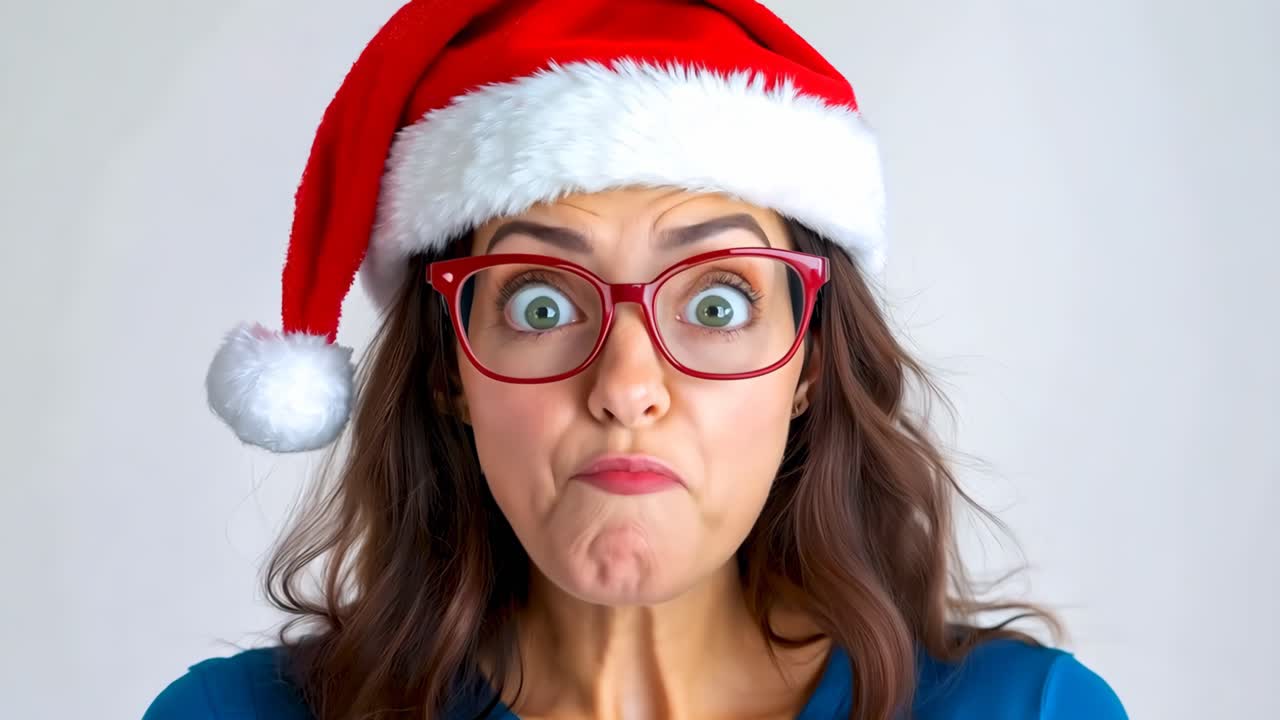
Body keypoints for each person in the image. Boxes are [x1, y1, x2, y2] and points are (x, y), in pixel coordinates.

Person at [145, 1, 1128, 718]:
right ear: (451, 370)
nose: (624, 388)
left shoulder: (1028, 713)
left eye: (714, 301)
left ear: (808, 367)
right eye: (540, 303)